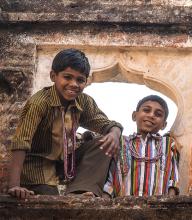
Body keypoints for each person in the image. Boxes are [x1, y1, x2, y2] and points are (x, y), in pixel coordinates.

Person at [7, 48, 123, 199]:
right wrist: (14, 185)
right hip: (38, 167)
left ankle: (79, 191)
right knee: (53, 203)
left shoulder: (84, 101)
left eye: (80, 80)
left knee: (104, 143)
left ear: (85, 81)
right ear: (53, 76)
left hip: (67, 163)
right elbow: (20, 142)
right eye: (67, 77)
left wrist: (114, 133)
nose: (74, 84)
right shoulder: (39, 103)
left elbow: (107, 124)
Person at [103, 95, 179, 198]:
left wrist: (170, 203)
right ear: (134, 115)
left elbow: (173, 178)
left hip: (158, 209)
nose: (151, 115)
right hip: (123, 207)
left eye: (158, 114)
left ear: (164, 125)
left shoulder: (169, 144)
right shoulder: (121, 142)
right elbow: (110, 179)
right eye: (146, 110)